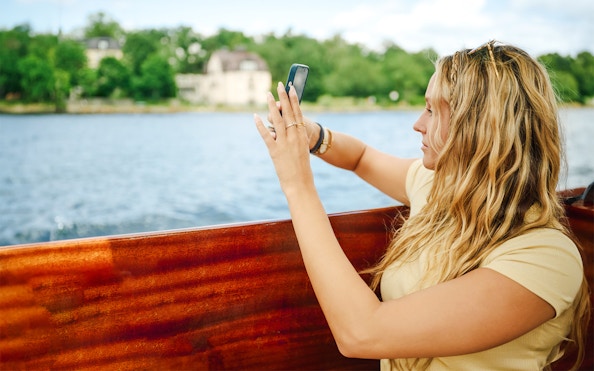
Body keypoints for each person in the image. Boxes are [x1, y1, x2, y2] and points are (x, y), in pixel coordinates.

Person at [253, 40, 590, 370]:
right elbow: (361, 158)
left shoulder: (544, 259)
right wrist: (315, 137)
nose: (418, 123)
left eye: (432, 110)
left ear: (479, 128)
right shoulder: (436, 187)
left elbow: (361, 333)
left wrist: (297, 184)